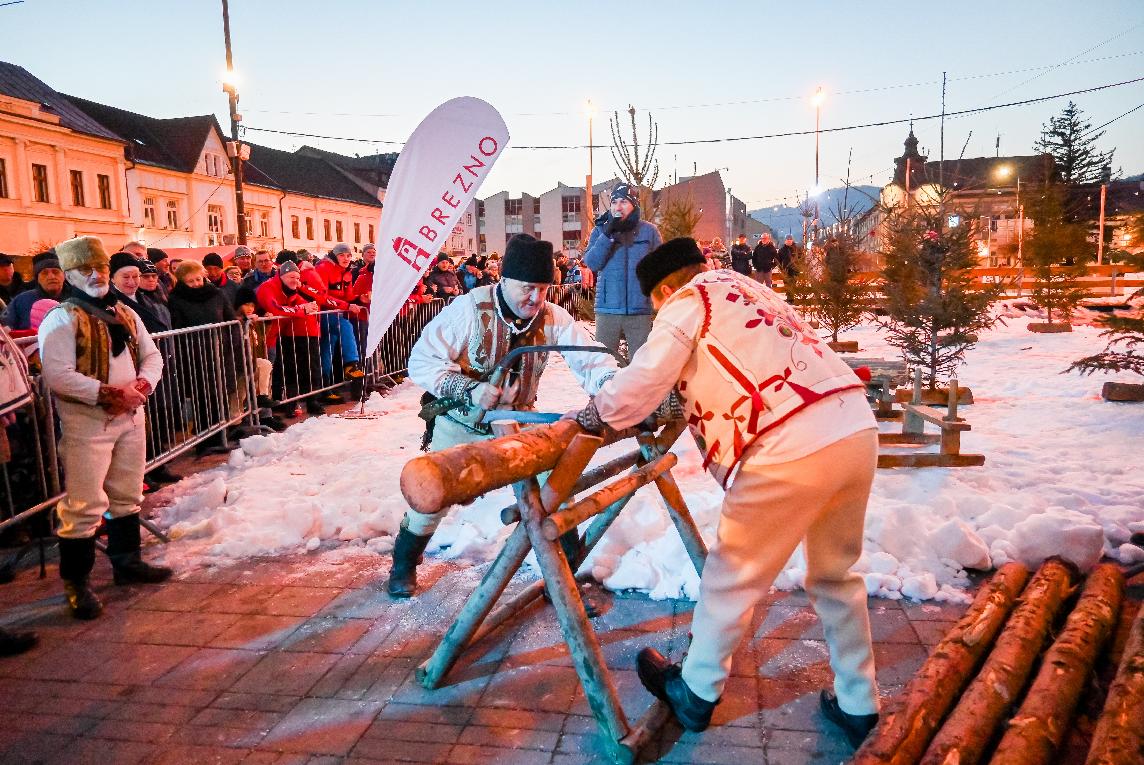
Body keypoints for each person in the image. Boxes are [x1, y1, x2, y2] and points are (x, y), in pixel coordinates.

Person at [570, 237, 880, 746]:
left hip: (788, 445)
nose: (655, 314)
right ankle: (859, 704)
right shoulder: (746, 288)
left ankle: (695, 691)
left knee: (730, 575)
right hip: (852, 428)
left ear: (664, 288)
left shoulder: (688, 299)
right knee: (835, 575)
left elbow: (643, 378)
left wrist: (592, 415)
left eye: (653, 304)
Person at [392, 234, 619, 598]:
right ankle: (404, 563)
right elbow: (421, 361)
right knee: (431, 495)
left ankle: (565, 580)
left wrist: (611, 384)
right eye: (528, 288)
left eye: (543, 289)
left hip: (520, 423)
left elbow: (590, 357)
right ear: (505, 281)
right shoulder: (469, 309)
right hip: (463, 422)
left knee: (554, 492)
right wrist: (466, 388)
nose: (536, 298)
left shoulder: (552, 317)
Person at [37, 236, 172, 620]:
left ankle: (127, 561)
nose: (96, 275)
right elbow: (58, 375)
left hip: (131, 416)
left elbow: (152, 355)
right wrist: (110, 394)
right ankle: (77, 584)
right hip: (87, 423)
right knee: (84, 504)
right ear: (69, 275)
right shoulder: (62, 318)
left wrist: (141, 387)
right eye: (85, 270)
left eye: (99, 268)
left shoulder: (126, 313)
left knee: (126, 493)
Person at [109, 253, 181, 487]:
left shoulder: (146, 299)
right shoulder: (114, 304)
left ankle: (158, 462)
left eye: (135, 276)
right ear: (113, 278)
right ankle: (145, 468)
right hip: (130, 371)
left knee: (159, 414)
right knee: (141, 421)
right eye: (125, 276)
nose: (131, 281)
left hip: (153, 367)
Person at [167, 260, 241, 455]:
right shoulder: (176, 298)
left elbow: (230, 318)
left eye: (198, 279)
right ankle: (205, 438)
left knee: (221, 392)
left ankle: (222, 433)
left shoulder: (216, 294)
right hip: (194, 354)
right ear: (182, 281)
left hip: (219, 351)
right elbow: (177, 325)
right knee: (202, 396)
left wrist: (231, 341)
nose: (196, 284)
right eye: (190, 281)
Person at [584, 184, 663, 361]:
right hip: (607, 310)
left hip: (640, 310)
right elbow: (592, 262)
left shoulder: (649, 231)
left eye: (624, 202)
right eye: (614, 202)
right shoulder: (600, 231)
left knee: (640, 364)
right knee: (604, 363)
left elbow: (660, 267)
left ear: (634, 204)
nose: (618, 207)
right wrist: (609, 235)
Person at [256, 261, 325, 416]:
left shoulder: (290, 290)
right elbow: (275, 307)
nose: (294, 280)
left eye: (296, 277)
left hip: (276, 337)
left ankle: (277, 409)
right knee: (263, 377)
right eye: (290, 277)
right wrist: (301, 310)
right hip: (262, 338)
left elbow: (316, 299)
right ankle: (265, 415)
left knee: (276, 373)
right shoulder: (268, 287)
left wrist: (304, 305)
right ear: (281, 276)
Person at [314, 243, 366, 386]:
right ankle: (351, 364)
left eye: (348, 255)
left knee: (327, 349)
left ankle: (325, 385)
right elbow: (322, 296)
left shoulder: (346, 271)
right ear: (334, 256)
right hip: (323, 312)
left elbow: (348, 295)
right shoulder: (324, 268)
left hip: (336, 313)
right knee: (345, 326)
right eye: (342, 255)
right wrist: (347, 305)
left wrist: (359, 298)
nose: (346, 258)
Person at [2, 255, 69, 330]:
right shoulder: (21, 301)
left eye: (56, 272)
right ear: (37, 279)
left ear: (64, 275)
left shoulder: (79, 298)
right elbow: (5, 329)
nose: (51, 277)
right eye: (45, 273)